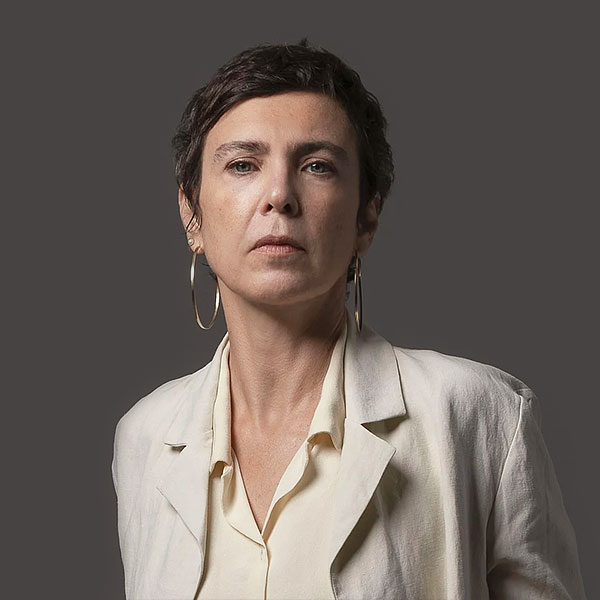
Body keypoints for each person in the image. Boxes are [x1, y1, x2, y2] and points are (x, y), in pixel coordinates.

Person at [111, 39, 587, 600]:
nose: (279, 196)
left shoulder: (480, 417)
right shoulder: (144, 438)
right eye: (243, 164)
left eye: (317, 166)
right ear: (191, 214)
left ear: (367, 217)